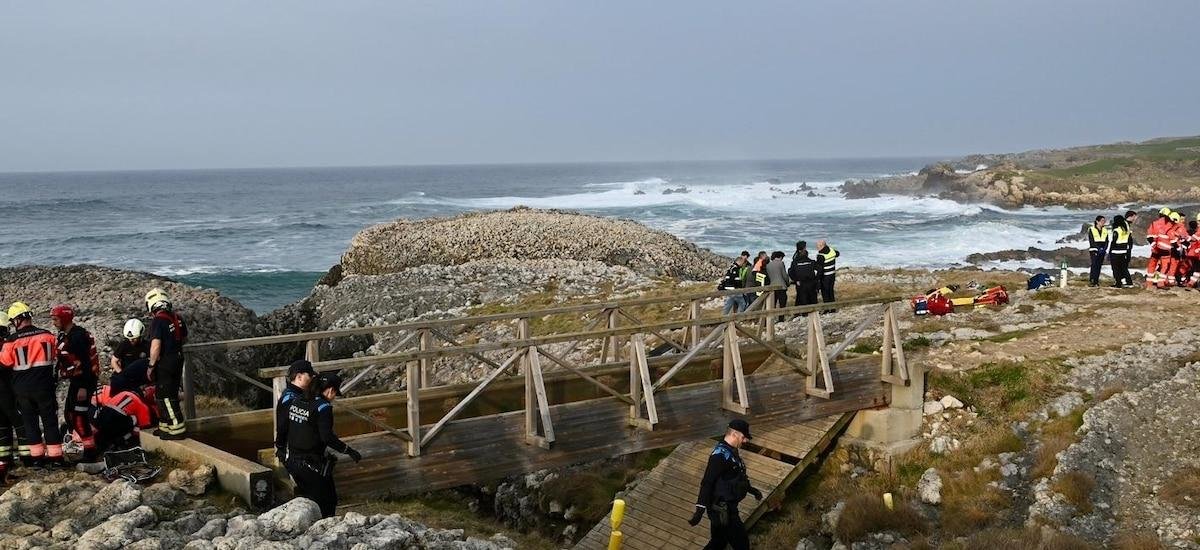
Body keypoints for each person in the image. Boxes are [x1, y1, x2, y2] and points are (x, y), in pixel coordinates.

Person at [284, 372, 362, 518]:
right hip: (311, 464)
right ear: (330, 390)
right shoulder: (323, 407)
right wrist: (348, 450)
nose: (333, 397)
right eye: (334, 393)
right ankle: (325, 531)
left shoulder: (297, 400)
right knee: (328, 501)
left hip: (293, 461)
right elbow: (327, 437)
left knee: (308, 500)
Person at [0, 302, 65, 467]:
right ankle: (56, 458)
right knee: (50, 422)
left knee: (30, 423)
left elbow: (5, 363)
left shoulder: (12, 341)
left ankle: (37, 459)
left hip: (22, 389)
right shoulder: (48, 335)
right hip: (45, 387)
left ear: (16, 320)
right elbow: (60, 354)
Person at [688, 419, 762, 550]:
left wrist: (752, 490)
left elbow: (736, 476)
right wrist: (700, 509)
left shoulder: (732, 451)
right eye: (743, 437)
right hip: (722, 510)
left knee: (718, 542)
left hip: (725, 508)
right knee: (741, 544)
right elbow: (707, 482)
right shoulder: (719, 456)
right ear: (734, 434)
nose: (745, 441)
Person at [51, 304, 100, 459]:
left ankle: (90, 451)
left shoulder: (77, 337)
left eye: (56, 319)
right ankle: (87, 444)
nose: (54, 322)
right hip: (77, 381)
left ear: (65, 318)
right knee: (70, 415)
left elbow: (85, 364)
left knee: (79, 416)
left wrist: (83, 388)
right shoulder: (68, 335)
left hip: (83, 382)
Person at [145, 289, 188, 440]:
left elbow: (155, 346)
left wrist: (151, 366)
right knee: (164, 394)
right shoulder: (178, 318)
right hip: (178, 358)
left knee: (166, 396)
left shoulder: (158, 321)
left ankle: (177, 429)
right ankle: (164, 426)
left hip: (165, 363)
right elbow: (183, 338)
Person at [0, 312, 29, 479]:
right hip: (8, 390)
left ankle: (5, 459)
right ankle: (26, 458)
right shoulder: (6, 344)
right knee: (20, 423)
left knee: (2, 426)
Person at [274, 359, 316, 463]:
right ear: (299, 376)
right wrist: (280, 447)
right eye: (310, 375)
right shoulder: (290, 399)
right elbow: (282, 426)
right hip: (295, 451)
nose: (312, 378)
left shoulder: (299, 395)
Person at [110, 319, 152, 394]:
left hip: (141, 378)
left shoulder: (147, 346)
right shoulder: (124, 345)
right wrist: (121, 374)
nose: (131, 340)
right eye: (129, 339)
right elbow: (114, 361)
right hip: (126, 376)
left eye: (134, 338)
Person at [1146, 208, 1174, 288]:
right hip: (1165, 249)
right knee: (1165, 266)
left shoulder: (1154, 223)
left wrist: (1154, 245)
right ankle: (1160, 283)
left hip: (1155, 249)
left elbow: (1149, 237)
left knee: (1152, 265)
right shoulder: (1169, 224)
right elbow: (1172, 237)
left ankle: (1149, 283)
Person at [789, 249, 819, 314]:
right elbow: (819, 269)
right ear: (807, 255)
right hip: (811, 282)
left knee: (803, 298)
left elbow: (790, 272)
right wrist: (816, 279)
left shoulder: (795, 263)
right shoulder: (812, 262)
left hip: (801, 283)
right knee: (812, 298)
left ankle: (804, 314)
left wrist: (796, 279)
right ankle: (814, 312)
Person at [1109, 212, 1135, 288]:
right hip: (1123, 251)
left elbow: (1113, 241)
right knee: (1124, 268)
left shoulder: (1117, 230)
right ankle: (1129, 282)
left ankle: (1118, 283)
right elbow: (1129, 240)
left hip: (1115, 251)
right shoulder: (1125, 230)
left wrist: (1110, 252)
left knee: (1116, 268)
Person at [764, 251, 790, 321]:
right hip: (781, 286)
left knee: (773, 304)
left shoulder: (768, 265)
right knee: (782, 304)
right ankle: (781, 319)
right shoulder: (781, 263)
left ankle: (771, 319)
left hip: (772, 286)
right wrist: (788, 283)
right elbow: (784, 275)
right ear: (780, 257)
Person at [815, 240, 840, 312]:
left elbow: (820, 270)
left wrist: (817, 279)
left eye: (818, 246)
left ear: (822, 246)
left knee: (825, 293)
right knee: (831, 291)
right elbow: (838, 253)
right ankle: (832, 309)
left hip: (825, 276)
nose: (817, 247)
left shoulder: (821, 256)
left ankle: (826, 309)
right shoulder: (832, 250)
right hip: (832, 275)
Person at [1086, 215, 1110, 287]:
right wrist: (1098, 248)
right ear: (1097, 221)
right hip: (1094, 250)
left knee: (1099, 266)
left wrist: (1104, 249)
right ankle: (1092, 280)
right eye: (1102, 221)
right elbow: (1092, 240)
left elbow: (1107, 241)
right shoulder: (1091, 229)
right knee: (1094, 265)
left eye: (1104, 221)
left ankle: (1096, 281)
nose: (1104, 222)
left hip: (1102, 250)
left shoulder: (1105, 230)